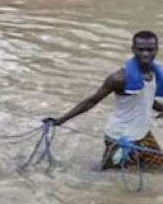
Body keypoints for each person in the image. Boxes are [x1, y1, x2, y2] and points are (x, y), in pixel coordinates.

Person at [49, 31, 163, 169]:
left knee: (158, 167)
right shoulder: (119, 78)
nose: (145, 54)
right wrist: (61, 119)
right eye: (141, 49)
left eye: (150, 50)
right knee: (109, 176)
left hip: (143, 134)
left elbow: (145, 99)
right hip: (120, 138)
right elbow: (92, 101)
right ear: (133, 49)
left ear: (157, 49)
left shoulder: (155, 73)